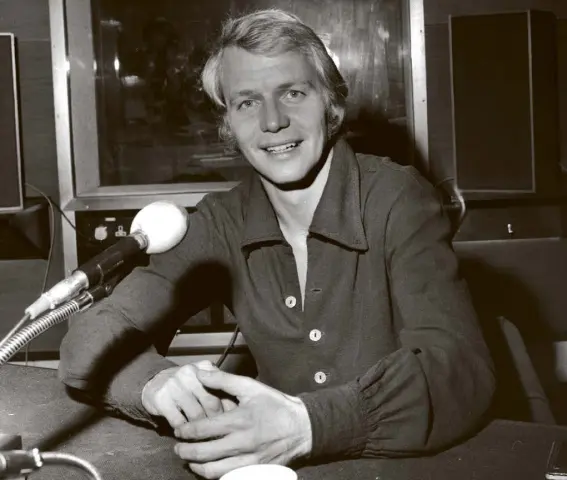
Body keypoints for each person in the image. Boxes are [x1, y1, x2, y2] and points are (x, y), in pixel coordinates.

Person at [59, 8, 496, 480]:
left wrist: (307, 424)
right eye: (247, 102)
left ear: (331, 105)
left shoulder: (398, 199)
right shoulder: (221, 221)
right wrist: (154, 384)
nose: (272, 122)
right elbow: (89, 336)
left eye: (292, 93)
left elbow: (458, 368)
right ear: (228, 124)